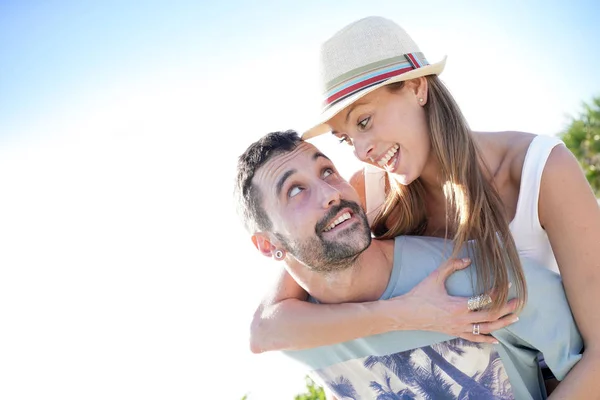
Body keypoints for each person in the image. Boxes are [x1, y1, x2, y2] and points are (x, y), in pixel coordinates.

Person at [250, 16, 600, 396]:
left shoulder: (541, 171)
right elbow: (266, 327)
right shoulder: (367, 192)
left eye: (364, 121)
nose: (362, 151)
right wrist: (407, 314)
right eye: (345, 139)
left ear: (417, 87)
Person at [234, 130, 582, 399]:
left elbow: (586, 365)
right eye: (295, 191)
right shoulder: (301, 338)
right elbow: (262, 333)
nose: (330, 192)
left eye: (327, 171)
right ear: (268, 244)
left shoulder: (479, 281)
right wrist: (408, 314)